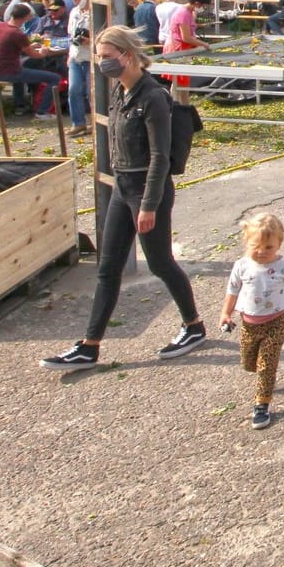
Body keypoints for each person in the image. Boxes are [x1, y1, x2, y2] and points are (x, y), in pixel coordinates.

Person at [42, 26, 204, 369]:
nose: (101, 64)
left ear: (128, 56)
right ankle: (90, 345)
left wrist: (148, 205)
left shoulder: (153, 96)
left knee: (160, 264)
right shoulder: (120, 91)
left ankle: (193, 326)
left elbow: (160, 157)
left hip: (149, 191)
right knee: (108, 268)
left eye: (106, 58)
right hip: (122, 188)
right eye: (99, 57)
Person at [218, 213, 284, 431]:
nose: (261, 252)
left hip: (276, 322)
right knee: (249, 364)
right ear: (246, 242)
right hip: (249, 324)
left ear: (279, 243)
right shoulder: (242, 265)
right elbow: (232, 291)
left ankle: (262, 404)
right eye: (255, 246)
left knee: (266, 365)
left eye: (268, 247)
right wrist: (225, 314)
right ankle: (264, 382)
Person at [0, 4, 60, 120]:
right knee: (54, 78)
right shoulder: (17, 33)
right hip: (11, 72)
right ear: (26, 17)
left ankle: (20, 105)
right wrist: (43, 52)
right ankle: (42, 111)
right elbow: (33, 54)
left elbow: (12, 46)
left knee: (27, 66)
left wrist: (30, 46)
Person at [162, 0, 211, 104]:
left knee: (181, 80)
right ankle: (181, 106)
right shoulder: (183, 13)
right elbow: (186, 37)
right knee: (180, 80)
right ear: (197, 3)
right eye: (203, 5)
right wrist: (204, 44)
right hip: (177, 48)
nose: (203, 8)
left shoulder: (189, 12)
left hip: (183, 48)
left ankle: (180, 104)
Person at [66, 0, 93, 137]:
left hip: (89, 56)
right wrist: (69, 55)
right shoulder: (74, 12)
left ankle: (94, 123)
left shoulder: (94, 12)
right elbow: (71, 34)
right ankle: (78, 123)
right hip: (76, 56)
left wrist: (89, 41)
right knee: (73, 89)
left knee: (92, 92)